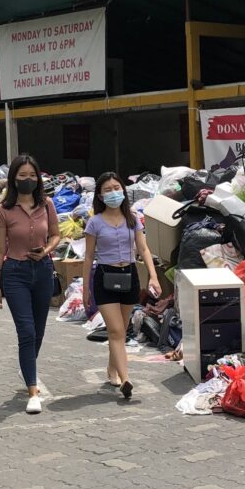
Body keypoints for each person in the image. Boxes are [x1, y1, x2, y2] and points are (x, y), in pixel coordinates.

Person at [0, 154, 61, 414]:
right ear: (13, 179)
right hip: (15, 273)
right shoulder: (3, 211)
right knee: (27, 331)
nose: (28, 180)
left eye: (32, 175)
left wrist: (46, 250)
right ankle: (33, 390)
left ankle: (27, 368)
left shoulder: (47, 204)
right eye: (22, 176)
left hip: (42, 270)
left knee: (39, 331)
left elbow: (56, 234)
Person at [82, 171, 160, 399]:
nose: (113, 193)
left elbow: (143, 249)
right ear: (100, 194)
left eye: (117, 188)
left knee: (120, 331)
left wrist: (153, 277)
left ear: (123, 191)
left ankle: (112, 368)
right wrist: (85, 289)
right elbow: (88, 258)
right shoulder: (94, 222)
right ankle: (126, 379)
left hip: (129, 276)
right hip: (104, 277)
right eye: (107, 189)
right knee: (115, 330)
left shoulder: (132, 219)